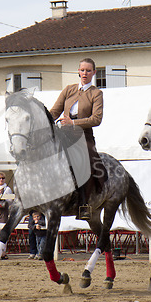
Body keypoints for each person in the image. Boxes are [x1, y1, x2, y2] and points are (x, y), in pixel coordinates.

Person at [49, 57, 107, 220]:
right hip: (64, 134)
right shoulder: (69, 90)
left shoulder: (96, 93)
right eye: (82, 70)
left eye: (88, 70)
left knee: (84, 163)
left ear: (94, 73)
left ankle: (84, 204)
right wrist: (43, 119)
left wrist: (73, 122)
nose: (85, 73)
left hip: (84, 136)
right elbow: (55, 111)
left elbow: (97, 119)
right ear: (78, 71)